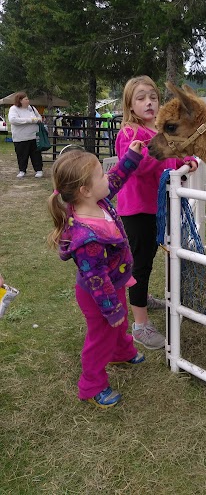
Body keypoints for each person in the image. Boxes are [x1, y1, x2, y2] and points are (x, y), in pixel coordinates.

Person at [48, 140, 145, 409]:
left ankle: (122, 352)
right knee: (100, 338)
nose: (108, 175)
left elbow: (115, 180)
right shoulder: (86, 238)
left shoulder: (97, 200)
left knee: (120, 323)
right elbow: (96, 279)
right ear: (85, 190)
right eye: (101, 173)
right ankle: (92, 384)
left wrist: (132, 157)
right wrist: (110, 308)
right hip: (99, 294)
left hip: (114, 283)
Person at [115, 75, 198, 350]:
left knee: (148, 256)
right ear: (130, 104)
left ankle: (143, 297)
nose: (148, 102)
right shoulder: (129, 133)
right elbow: (136, 167)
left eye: (153, 97)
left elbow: (170, 157)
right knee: (140, 263)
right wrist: (167, 160)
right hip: (137, 208)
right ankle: (139, 324)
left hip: (155, 207)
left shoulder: (158, 133)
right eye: (140, 98)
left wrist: (183, 161)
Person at [8, 92, 43, 179]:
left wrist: (37, 120)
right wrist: (30, 120)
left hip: (33, 136)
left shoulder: (32, 108)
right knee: (22, 155)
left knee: (36, 154)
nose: (28, 101)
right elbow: (13, 120)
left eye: (28, 99)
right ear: (20, 100)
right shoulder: (14, 109)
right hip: (20, 137)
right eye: (26, 99)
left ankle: (39, 170)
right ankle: (22, 171)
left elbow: (39, 117)